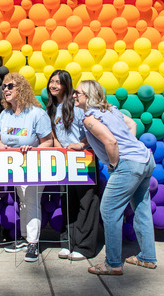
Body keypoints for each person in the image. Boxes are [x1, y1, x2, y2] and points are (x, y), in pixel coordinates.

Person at [74, 80, 157, 275]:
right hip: (145, 159)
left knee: (109, 210)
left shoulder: (89, 117)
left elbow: (110, 141)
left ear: (88, 95)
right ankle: (148, 257)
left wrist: (113, 165)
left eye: (78, 93)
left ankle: (112, 263)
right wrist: (83, 144)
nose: (74, 96)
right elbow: (131, 124)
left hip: (127, 165)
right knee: (142, 210)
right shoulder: (110, 110)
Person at [0, 73, 53, 262]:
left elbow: (48, 142)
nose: (5, 90)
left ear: (21, 88)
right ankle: (24, 238)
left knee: (32, 201)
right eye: (3, 87)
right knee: (22, 202)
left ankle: (33, 244)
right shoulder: (4, 115)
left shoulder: (37, 113)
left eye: (10, 86)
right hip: (13, 168)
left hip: (34, 166)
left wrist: (33, 149)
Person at [46, 70, 99, 261]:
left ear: (66, 85)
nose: (54, 85)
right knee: (67, 201)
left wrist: (81, 145)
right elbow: (53, 133)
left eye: (58, 82)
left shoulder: (77, 107)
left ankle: (85, 247)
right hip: (64, 160)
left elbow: (93, 131)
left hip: (85, 160)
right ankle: (67, 242)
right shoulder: (51, 107)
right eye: (51, 81)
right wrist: (60, 148)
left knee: (86, 203)